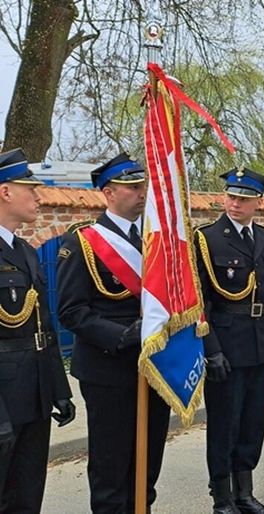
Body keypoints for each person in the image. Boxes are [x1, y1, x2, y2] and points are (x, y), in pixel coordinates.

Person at [57, 153, 168, 514]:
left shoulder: (155, 242)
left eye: (143, 186)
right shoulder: (83, 243)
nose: (141, 193)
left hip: (153, 367)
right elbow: (71, 312)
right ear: (108, 192)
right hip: (109, 370)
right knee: (112, 466)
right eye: (132, 187)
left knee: (147, 464)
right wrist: (121, 336)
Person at [194, 168, 264, 514]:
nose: (235, 204)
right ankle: (222, 497)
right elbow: (200, 301)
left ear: (257, 203)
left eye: (244, 199)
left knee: (252, 421)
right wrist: (211, 349)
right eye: (231, 197)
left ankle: (244, 493)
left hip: (260, 343)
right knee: (224, 422)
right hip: (226, 346)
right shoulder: (207, 239)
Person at [0, 148, 74, 513]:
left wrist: (59, 391)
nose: (39, 195)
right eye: (30, 187)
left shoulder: (27, 252)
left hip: (34, 394)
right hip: (4, 398)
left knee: (27, 494)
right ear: (5, 192)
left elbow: (43, 328)